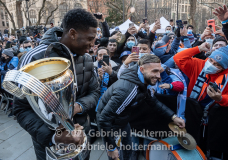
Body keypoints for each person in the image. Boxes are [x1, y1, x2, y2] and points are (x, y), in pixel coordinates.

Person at [13, 9, 100, 160]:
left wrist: (78, 106)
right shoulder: (35, 58)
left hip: (82, 137)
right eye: (90, 38)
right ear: (73, 34)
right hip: (50, 146)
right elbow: (20, 109)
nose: (93, 44)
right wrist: (55, 137)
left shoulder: (87, 58)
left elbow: (94, 92)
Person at [97, 54, 185, 160]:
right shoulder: (127, 90)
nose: (158, 76)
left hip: (122, 121)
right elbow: (104, 119)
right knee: (116, 156)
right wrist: (111, 148)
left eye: (159, 71)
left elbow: (153, 101)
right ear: (142, 69)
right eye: (154, 71)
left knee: (128, 152)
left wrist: (173, 117)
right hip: (111, 126)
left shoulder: (142, 79)